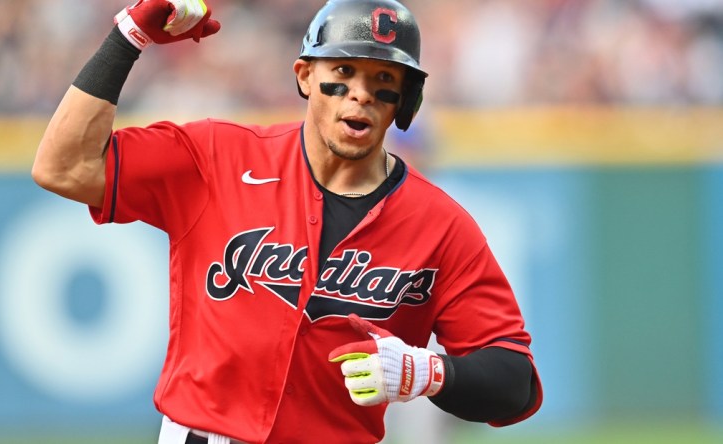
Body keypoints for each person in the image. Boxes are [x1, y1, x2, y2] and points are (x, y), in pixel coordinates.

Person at [32, 0, 543, 443]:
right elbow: (64, 166)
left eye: (383, 79)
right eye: (342, 73)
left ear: (405, 101)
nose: (360, 94)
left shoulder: (442, 225)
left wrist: (430, 371)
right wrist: (129, 36)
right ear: (304, 76)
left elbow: (513, 379)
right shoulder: (218, 157)